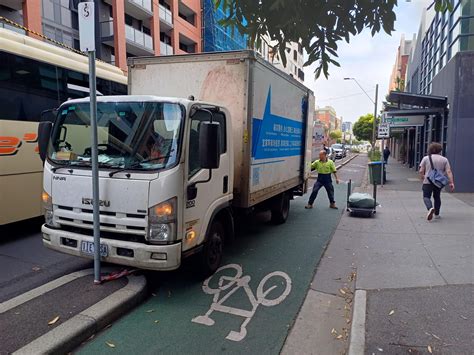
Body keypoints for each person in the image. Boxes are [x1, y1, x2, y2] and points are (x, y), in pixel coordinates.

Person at [419, 142, 455, 221]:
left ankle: (430, 208)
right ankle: (437, 214)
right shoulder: (444, 159)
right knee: (437, 197)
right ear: (440, 150)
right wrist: (451, 182)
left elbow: (421, 170)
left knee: (426, 197)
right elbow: (448, 171)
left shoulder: (426, 158)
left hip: (428, 181)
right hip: (438, 182)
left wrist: (422, 177)